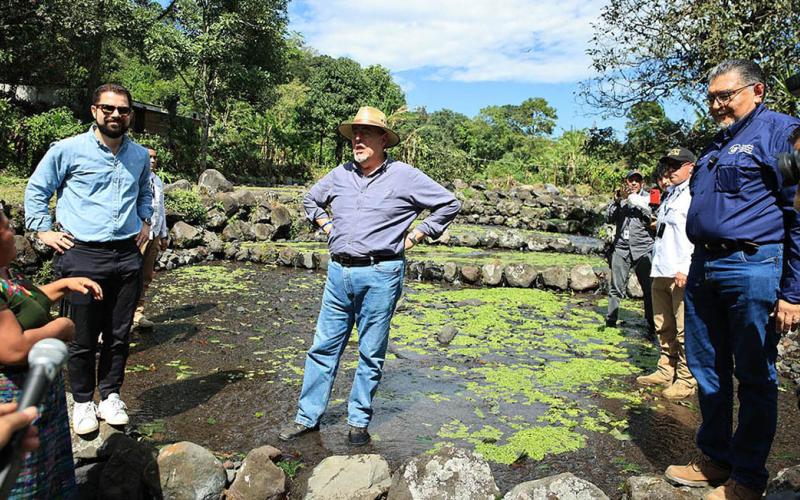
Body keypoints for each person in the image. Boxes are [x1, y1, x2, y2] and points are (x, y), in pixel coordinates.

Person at [278, 106, 461, 446]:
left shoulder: (405, 176)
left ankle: (358, 422)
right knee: (322, 348)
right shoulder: (341, 174)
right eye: (354, 134)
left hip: (381, 273)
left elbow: (449, 204)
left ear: (383, 139)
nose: (357, 139)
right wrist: (328, 226)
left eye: (365, 133)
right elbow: (310, 200)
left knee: (370, 351)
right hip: (338, 272)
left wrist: (416, 235)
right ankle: (307, 417)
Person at [665, 60, 800, 500]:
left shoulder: (782, 133)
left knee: (756, 375)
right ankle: (714, 458)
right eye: (711, 98)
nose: (717, 105)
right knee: (708, 369)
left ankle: (747, 478)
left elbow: (797, 213)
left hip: (753, 266)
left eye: (726, 96)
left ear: (757, 90)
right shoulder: (718, 143)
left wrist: (793, 292)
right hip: (706, 267)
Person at [24, 83, 153, 435]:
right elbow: (37, 189)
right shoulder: (68, 150)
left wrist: (144, 219)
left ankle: (110, 395)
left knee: (119, 333)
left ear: (129, 116)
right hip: (81, 254)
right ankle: (82, 401)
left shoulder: (139, 156)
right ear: (94, 111)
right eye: (108, 109)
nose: (116, 115)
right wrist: (42, 230)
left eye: (123, 110)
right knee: (81, 336)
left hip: (126, 255)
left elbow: (145, 190)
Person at [0, 206, 103, 497]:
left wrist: (63, 285)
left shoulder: (7, 273)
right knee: (25, 480)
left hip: (41, 395)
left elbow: (26, 304)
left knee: (51, 472)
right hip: (15, 399)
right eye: (7, 229)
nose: (13, 234)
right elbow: (12, 348)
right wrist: (61, 327)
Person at [636, 147, 697, 400]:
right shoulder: (670, 195)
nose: (670, 170)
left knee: (683, 329)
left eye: (676, 165)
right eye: (668, 165)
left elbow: (696, 233)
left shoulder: (694, 195)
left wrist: (687, 266)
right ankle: (665, 369)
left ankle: (686, 379)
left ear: (690, 167)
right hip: (661, 267)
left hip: (679, 270)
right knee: (663, 324)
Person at [605, 170, 655, 335]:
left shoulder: (649, 198)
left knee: (648, 289)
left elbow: (654, 218)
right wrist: (619, 202)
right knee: (615, 287)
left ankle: (652, 323)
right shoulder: (621, 198)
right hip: (622, 248)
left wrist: (640, 205)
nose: (633, 183)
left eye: (637, 181)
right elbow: (609, 217)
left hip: (643, 249)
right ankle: (611, 320)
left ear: (642, 183)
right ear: (626, 182)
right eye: (630, 180)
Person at [133, 146, 169, 330]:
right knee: (130, 274)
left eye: (155, 157)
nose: (153, 161)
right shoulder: (134, 178)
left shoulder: (159, 181)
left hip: (154, 233)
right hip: (137, 235)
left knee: (146, 275)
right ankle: (122, 314)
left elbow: (161, 209)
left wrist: (164, 235)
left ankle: (138, 313)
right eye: (149, 157)